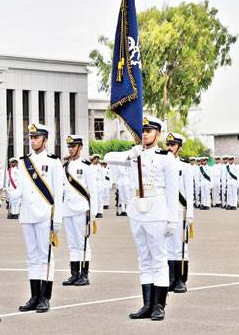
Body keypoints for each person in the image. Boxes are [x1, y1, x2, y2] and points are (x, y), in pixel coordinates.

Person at [105, 117, 179, 321]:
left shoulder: (166, 157)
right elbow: (107, 157)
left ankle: (159, 305)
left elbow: (173, 191)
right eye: (143, 130)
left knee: (158, 257)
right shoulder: (134, 154)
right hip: (137, 211)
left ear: (158, 134)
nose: (145, 134)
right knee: (144, 258)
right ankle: (147, 304)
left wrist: (173, 220)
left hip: (157, 210)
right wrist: (131, 153)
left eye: (149, 130)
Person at [10, 123, 64, 313]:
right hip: (27, 214)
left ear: (45, 139)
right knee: (32, 257)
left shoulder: (54, 162)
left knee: (46, 256)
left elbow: (58, 192)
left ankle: (45, 297)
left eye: (36, 137)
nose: (33, 141)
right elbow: (21, 188)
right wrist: (12, 194)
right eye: (31, 137)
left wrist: (57, 218)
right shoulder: (23, 162)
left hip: (45, 215)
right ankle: (34, 296)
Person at [61, 135, 98, 287]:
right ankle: (74, 274)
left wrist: (93, 212)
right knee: (72, 243)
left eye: (73, 146)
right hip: (67, 209)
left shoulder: (87, 166)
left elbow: (93, 191)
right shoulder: (65, 167)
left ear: (80, 147)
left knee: (83, 242)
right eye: (69, 146)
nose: (70, 149)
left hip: (82, 208)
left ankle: (84, 275)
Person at [164, 133, 194, 293]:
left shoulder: (185, 166)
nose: (169, 148)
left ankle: (181, 280)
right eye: (168, 144)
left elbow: (189, 192)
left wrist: (189, 213)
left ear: (179, 147)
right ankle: (170, 278)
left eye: (173, 145)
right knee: (168, 246)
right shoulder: (163, 165)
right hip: (166, 212)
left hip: (180, 211)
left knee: (181, 246)